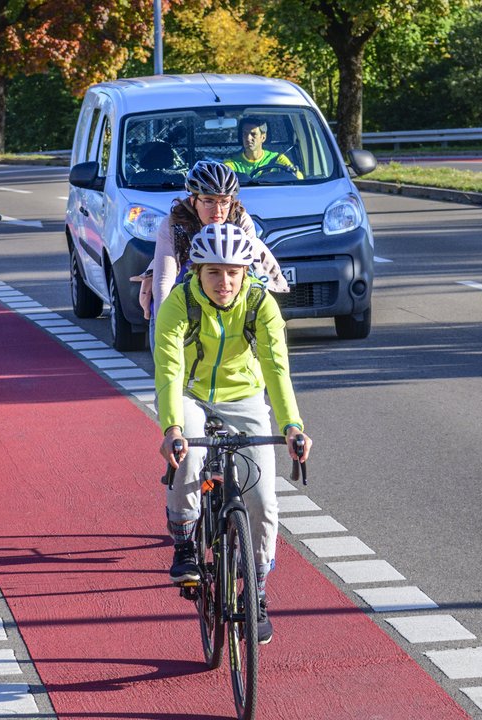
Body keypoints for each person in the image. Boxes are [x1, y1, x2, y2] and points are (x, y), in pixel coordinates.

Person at [154, 222, 312, 645]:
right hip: (189, 394)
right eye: (213, 272)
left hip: (244, 397)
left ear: (246, 272)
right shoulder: (179, 304)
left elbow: (277, 369)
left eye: (233, 272)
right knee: (187, 455)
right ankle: (185, 544)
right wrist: (172, 428)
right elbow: (168, 370)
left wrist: (292, 426)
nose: (223, 282)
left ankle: (256, 590)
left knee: (263, 499)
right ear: (197, 271)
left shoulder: (261, 304)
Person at [136, 161, 288, 323]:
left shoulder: (241, 220)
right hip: (182, 286)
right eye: (209, 201)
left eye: (224, 201)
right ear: (193, 200)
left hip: (228, 291)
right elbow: (164, 280)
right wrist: (162, 324)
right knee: (158, 303)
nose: (218, 210)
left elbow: (249, 276)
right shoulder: (173, 224)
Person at [224, 116, 303, 179]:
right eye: (245, 134)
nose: (248, 138)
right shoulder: (232, 163)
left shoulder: (278, 159)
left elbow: (298, 178)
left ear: (263, 137)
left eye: (253, 134)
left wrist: (294, 173)